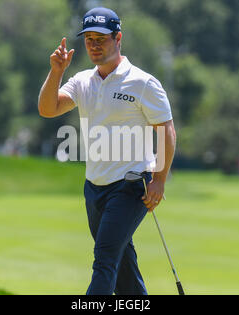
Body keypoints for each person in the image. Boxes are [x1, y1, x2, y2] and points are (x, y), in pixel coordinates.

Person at [38, 7, 176, 295]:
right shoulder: (83, 81)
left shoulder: (143, 83)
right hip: (94, 188)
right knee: (124, 269)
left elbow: (166, 130)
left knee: (104, 260)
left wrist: (160, 178)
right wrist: (56, 72)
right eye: (89, 39)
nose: (94, 45)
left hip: (130, 187)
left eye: (101, 38)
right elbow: (48, 108)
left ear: (118, 38)